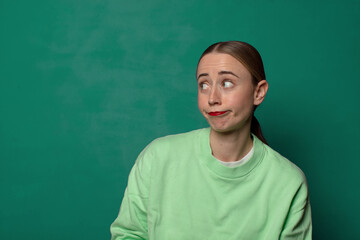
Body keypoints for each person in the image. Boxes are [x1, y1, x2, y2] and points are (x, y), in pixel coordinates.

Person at [110, 41, 312, 239]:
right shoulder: (158, 158)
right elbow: (128, 234)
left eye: (226, 83)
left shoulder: (288, 182)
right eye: (204, 85)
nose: (212, 98)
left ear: (258, 92)